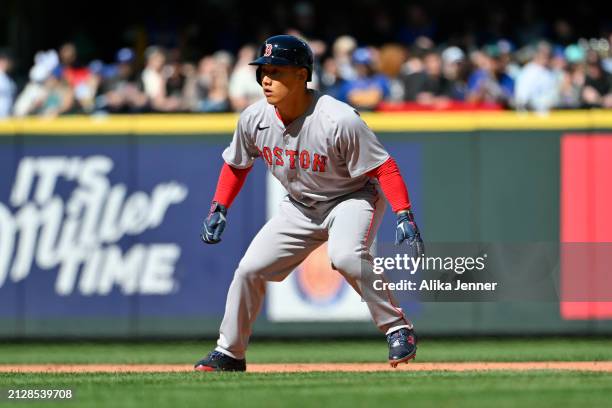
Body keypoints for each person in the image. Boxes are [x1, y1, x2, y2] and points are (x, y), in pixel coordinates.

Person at [194, 35, 424, 372]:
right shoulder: (254, 118)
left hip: (351, 196)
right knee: (249, 270)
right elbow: (236, 165)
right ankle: (230, 352)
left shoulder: (337, 118)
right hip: (299, 207)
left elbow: (384, 166)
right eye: (263, 72)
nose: (266, 79)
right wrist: (219, 206)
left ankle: (397, 328)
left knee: (345, 255)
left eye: (277, 71)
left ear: (302, 75)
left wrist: (404, 214)